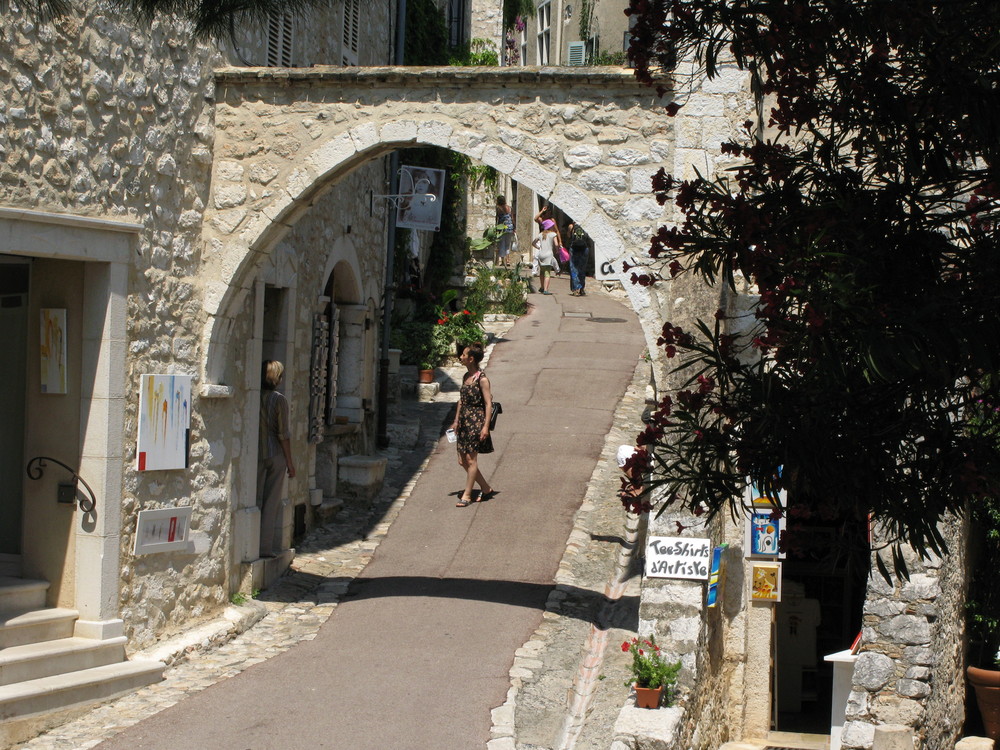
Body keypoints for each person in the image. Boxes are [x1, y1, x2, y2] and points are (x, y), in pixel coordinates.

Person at [450, 342, 498, 507]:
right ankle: (485, 488)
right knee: (462, 460)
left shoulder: (482, 379)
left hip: (476, 421)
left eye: (463, 355)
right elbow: (461, 401)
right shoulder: (465, 377)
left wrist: (485, 427)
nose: (461, 357)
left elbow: (488, 403)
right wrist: (456, 421)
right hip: (464, 421)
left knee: (471, 459)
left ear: (471, 359)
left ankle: (467, 495)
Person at [257, 360, 295, 558]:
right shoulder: (279, 399)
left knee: (255, 499)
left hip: (255, 453)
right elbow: (283, 434)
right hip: (275, 453)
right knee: (271, 502)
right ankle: (264, 548)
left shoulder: (253, 396)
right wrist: (290, 462)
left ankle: (252, 544)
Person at [532, 218, 559, 294]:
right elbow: (556, 244)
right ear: (550, 227)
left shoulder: (540, 235)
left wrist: (538, 247)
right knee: (547, 273)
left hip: (541, 255)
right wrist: (557, 250)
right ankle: (546, 289)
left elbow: (533, 243)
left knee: (542, 272)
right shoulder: (553, 234)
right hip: (548, 255)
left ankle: (542, 287)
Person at [566, 220, 589, 296]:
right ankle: (582, 289)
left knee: (574, 269)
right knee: (582, 269)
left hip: (574, 249)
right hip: (584, 248)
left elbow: (569, 236)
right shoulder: (586, 224)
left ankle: (576, 289)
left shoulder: (571, 226)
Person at [496, 195, 515, 267]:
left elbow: (497, 219)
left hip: (502, 228)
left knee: (502, 244)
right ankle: (508, 260)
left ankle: (502, 261)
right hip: (510, 227)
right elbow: (512, 218)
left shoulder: (498, 209)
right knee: (508, 245)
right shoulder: (510, 208)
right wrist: (514, 227)